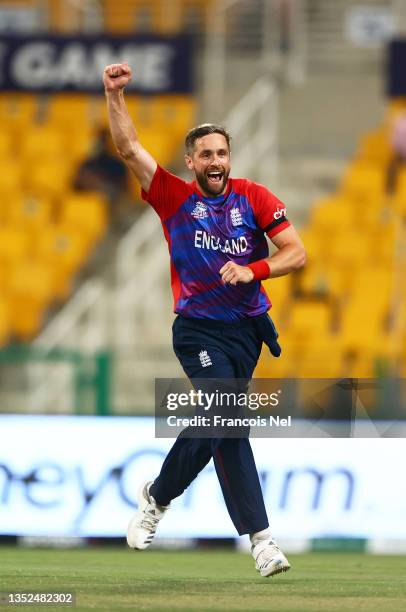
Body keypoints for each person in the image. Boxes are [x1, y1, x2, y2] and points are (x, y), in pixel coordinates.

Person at [103, 62, 306, 578]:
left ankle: (158, 496)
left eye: (222, 153)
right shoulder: (173, 196)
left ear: (229, 159)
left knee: (224, 423)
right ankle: (262, 541)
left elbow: (295, 254)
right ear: (190, 160)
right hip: (197, 329)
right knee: (224, 412)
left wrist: (253, 268)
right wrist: (114, 95)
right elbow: (129, 149)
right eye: (206, 154)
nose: (215, 161)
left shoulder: (254, 198)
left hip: (248, 333)